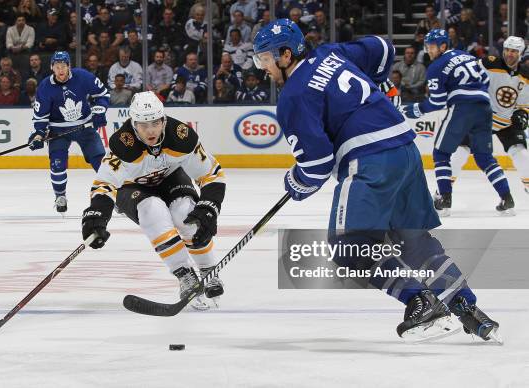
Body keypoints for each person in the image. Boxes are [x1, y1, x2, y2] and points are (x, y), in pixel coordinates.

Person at [253, 19, 501, 342]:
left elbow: (316, 165)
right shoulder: (332, 53)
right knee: (414, 241)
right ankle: (468, 309)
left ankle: (419, 300)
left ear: (285, 55)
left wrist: (295, 182)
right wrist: (383, 86)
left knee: (348, 245)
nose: (263, 69)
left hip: (370, 161)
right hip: (406, 151)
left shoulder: (293, 97)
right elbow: (383, 48)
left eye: (265, 59)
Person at [81, 91, 225, 310]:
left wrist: (209, 207)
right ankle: (184, 274)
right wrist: (97, 215)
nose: (150, 130)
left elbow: (211, 174)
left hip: (170, 178)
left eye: (155, 123)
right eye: (143, 124)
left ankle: (208, 269)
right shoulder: (124, 144)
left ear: (163, 120)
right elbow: (105, 183)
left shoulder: (181, 136)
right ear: (133, 123)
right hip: (132, 187)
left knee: (186, 214)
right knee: (153, 211)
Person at [402, 29, 515, 216]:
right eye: (427, 47)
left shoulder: (436, 67)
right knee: (484, 157)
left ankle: (444, 197)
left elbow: (437, 102)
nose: (429, 50)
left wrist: (417, 110)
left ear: (443, 46)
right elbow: (486, 79)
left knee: (440, 153)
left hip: (463, 109)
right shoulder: (466, 56)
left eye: (432, 46)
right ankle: (507, 196)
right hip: (485, 107)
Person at [28, 51, 110, 213]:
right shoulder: (45, 87)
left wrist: (99, 111)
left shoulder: (82, 77)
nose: (60, 70)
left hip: (84, 126)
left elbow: (102, 94)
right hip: (58, 130)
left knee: (100, 162)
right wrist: (38, 134)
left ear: (69, 67)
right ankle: (60, 196)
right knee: (57, 163)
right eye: (57, 66)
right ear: (52, 67)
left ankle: (113, 195)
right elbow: (41, 117)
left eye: (63, 66)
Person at [448, 36, 529, 194]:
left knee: (522, 153)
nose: (509, 54)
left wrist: (523, 114)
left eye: (514, 51)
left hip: (507, 121)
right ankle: (444, 192)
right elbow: (468, 75)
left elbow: (524, 103)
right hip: (481, 118)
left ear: (521, 53)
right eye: (507, 50)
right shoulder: (488, 63)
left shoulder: (526, 75)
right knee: (460, 152)